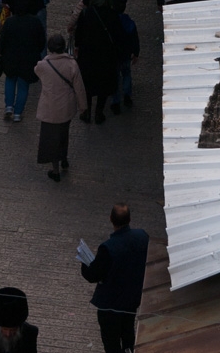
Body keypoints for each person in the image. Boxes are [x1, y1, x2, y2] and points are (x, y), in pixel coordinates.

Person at [81, 202, 149, 353]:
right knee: (128, 333)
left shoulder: (108, 247)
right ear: (129, 219)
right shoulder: (142, 236)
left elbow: (93, 275)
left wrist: (84, 263)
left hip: (110, 304)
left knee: (111, 342)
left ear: (110, 218)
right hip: (131, 300)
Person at [34, 35, 87, 182]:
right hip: (66, 109)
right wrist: (83, 107)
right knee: (63, 135)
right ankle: (64, 158)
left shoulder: (44, 65)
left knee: (51, 139)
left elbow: (36, 70)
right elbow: (79, 88)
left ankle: (55, 170)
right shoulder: (72, 65)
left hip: (50, 109)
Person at [74, 0, 122, 125]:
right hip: (106, 56)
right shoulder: (112, 14)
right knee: (104, 85)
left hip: (88, 55)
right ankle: (99, 113)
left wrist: (77, 47)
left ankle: (87, 112)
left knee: (88, 85)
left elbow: (79, 34)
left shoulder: (86, 13)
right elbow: (118, 36)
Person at [0, 0, 46, 124]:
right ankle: (18, 113)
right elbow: (42, 42)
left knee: (10, 80)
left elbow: (2, 41)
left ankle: (9, 106)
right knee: (23, 86)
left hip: (11, 58)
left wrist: (3, 53)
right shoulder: (35, 22)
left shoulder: (10, 22)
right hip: (28, 59)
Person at [111, 7, 140, 115]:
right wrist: (136, 53)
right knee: (126, 74)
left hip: (115, 55)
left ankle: (116, 102)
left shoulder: (111, 23)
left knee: (115, 77)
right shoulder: (129, 22)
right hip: (126, 55)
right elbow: (135, 39)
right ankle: (127, 95)